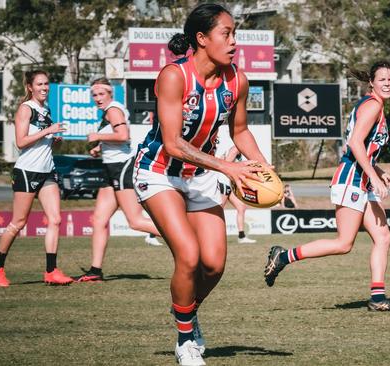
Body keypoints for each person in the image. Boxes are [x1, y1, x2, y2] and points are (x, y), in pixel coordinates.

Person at [132, 4, 270, 365]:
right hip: (158, 171)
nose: (234, 42)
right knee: (189, 257)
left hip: (200, 176)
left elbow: (239, 131)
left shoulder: (237, 80)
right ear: (202, 38)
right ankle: (185, 341)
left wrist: (267, 170)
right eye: (226, 33)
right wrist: (227, 167)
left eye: (235, 33)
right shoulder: (174, 76)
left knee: (214, 265)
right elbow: (173, 143)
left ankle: (186, 315)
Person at [264, 61, 390, 312]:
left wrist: (378, 171)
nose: (387, 83)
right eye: (382, 79)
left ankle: (377, 298)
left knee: (383, 236)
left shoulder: (375, 105)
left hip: (362, 179)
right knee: (344, 244)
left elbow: (362, 148)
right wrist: (373, 176)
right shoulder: (373, 104)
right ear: (371, 83)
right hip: (352, 179)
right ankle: (283, 256)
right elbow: (354, 143)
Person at [74, 77, 163, 283]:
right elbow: (118, 138)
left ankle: (182, 239)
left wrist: (97, 137)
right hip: (110, 168)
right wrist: (99, 147)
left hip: (121, 168)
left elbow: (123, 135)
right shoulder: (109, 111)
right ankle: (95, 271)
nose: (97, 98)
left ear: (110, 94)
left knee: (135, 221)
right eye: (94, 95)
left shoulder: (113, 110)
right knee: (99, 220)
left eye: (101, 94)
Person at [0, 70, 73, 287]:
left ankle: (51, 271)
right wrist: (47, 132)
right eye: (39, 84)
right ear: (30, 87)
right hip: (27, 172)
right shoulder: (26, 109)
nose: (44, 88)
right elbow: (20, 142)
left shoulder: (46, 109)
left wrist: (55, 140)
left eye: (47, 84)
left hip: (47, 171)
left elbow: (44, 142)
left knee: (55, 219)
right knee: (18, 223)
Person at [217, 145, 256, 244]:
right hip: (224, 182)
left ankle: (241, 236)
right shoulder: (235, 149)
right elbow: (226, 165)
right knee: (217, 210)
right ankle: (211, 235)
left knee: (241, 207)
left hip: (229, 184)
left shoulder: (235, 150)